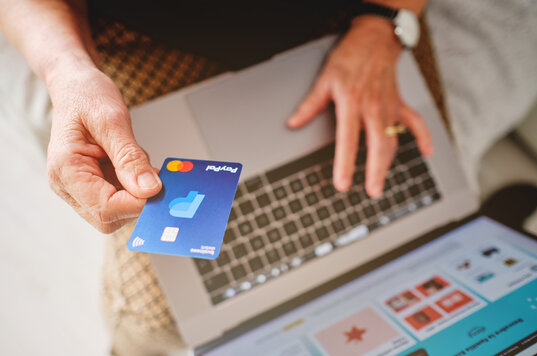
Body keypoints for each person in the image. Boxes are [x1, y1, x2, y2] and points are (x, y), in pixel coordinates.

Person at [0, 0, 432, 234]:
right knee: (160, 313)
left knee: (419, 214)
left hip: (360, 15)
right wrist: (68, 71)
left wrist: (387, 19)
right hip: (147, 37)